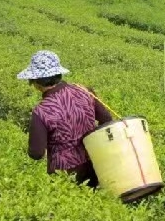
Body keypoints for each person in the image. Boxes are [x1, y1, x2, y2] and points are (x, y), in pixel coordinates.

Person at [18, 50, 114, 186]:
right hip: (94, 163)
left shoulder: (41, 111)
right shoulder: (85, 91)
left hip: (65, 174)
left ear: (36, 82)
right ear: (58, 74)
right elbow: (106, 120)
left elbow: (37, 153)